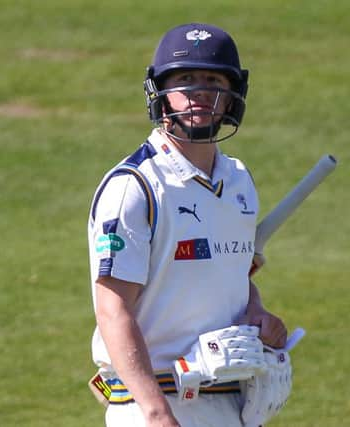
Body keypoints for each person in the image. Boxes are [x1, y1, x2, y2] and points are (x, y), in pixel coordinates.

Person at [87, 23, 288, 427]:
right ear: (160, 91)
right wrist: (157, 414)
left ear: (232, 95)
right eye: (185, 78)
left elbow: (231, 273)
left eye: (213, 79)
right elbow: (112, 309)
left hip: (233, 404)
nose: (199, 90)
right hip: (153, 405)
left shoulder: (237, 181)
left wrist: (257, 311)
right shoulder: (135, 187)